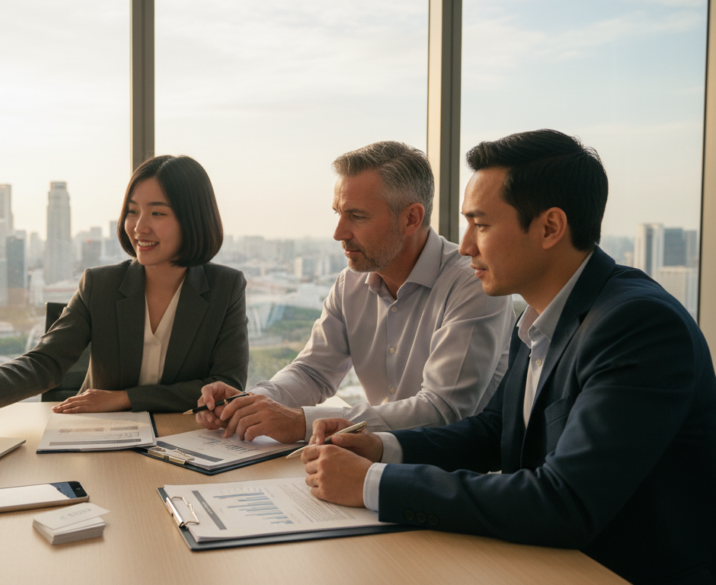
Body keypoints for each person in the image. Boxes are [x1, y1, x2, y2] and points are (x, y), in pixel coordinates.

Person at [302, 130, 716, 584]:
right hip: (543, 562)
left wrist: (371, 483)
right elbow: (494, 431)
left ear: (550, 228)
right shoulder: (542, 309)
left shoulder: (637, 326)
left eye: (480, 225)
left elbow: (564, 500)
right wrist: (381, 447)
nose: (464, 246)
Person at [196, 141, 514, 443]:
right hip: (370, 461)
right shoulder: (349, 284)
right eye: (339, 213)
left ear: (411, 219)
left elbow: (442, 411)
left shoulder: (472, 283)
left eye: (357, 216)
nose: (339, 233)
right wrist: (253, 402)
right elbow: (313, 372)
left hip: (453, 477)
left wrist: (300, 423)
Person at [0, 155, 249, 415]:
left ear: (193, 219)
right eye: (132, 211)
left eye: (157, 213)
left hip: (186, 440)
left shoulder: (226, 288)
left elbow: (227, 386)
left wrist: (123, 398)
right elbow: (45, 362)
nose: (139, 227)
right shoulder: (100, 285)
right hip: (102, 440)